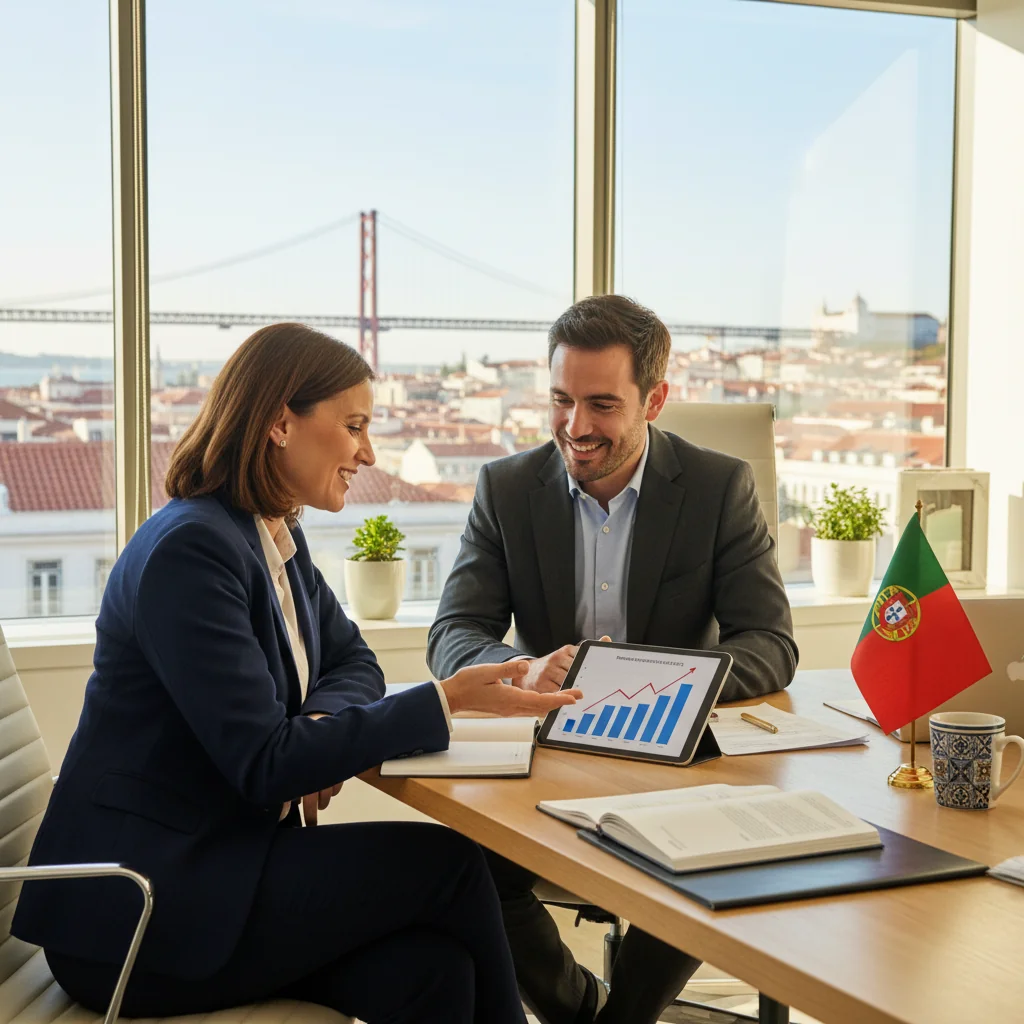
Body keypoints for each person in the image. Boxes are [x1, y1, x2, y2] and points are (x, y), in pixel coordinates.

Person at [12, 323, 582, 1024]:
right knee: (451, 864)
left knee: (435, 974)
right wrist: (443, 701)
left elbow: (354, 661)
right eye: (354, 426)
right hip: (139, 914)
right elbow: (264, 764)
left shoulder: (269, 533)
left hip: (223, 865)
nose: (368, 452)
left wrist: (316, 725)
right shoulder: (191, 552)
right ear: (281, 423)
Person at [428, 294, 799, 1024]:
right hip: (548, 759)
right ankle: (586, 1014)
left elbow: (771, 643)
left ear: (654, 400)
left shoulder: (719, 487)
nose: (576, 426)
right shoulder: (507, 488)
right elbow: (454, 631)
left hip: (676, 758)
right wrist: (521, 668)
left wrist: (658, 682)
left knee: (705, 866)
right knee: (465, 871)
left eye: (602, 404)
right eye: (561, 400)